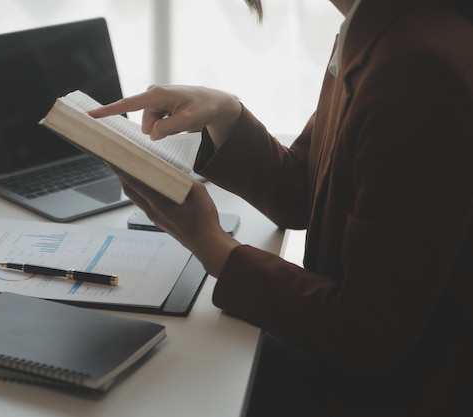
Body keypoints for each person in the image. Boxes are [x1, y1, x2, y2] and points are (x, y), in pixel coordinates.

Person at [89, 0, 473, 415]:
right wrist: (225, 114)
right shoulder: (375, 24)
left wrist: (212, 245)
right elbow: (310, 193)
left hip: (389, 393)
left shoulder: (414, 67)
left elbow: (368, 335)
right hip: (348, 365)